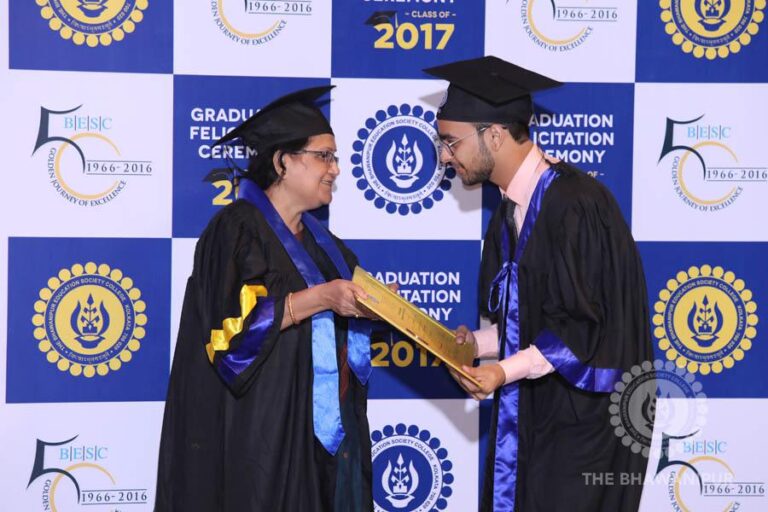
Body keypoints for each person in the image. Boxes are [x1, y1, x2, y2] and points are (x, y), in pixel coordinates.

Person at [424, 56, 653, 511]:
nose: (445, 158)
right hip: (539, 415)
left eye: (450, 142)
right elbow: (528, 318)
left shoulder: (575, 203)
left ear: (493, 134)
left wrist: (501, 372)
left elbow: (584, 327)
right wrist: (476, 345)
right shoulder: (510, 210)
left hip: (585, 427)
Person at [155, 86, 375, 511]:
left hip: (320, 439)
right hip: (258, 433)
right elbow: (231, 337)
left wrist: (377, 306)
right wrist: (320, 298)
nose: (335, 169)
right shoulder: (235, 230)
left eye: (335, 157)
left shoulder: (326, 246)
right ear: (282, 161)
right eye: (324, 156)